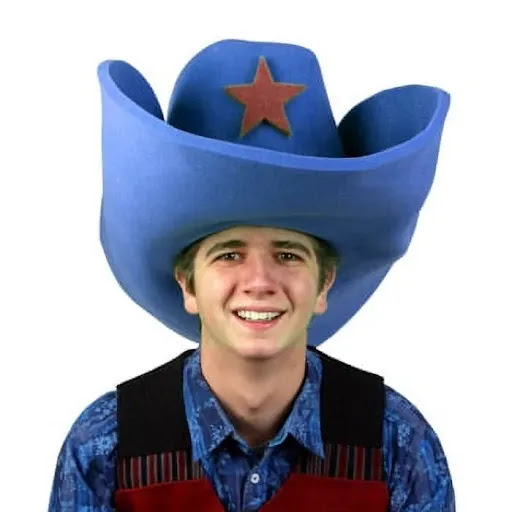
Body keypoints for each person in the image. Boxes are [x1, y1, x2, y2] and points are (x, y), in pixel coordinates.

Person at [49, 39, 455, 511]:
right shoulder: (106, 449)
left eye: (288, 255)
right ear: (187, 284)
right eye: (228, 255)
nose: (259, 281)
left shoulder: (397, 446)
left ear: (324, 284)